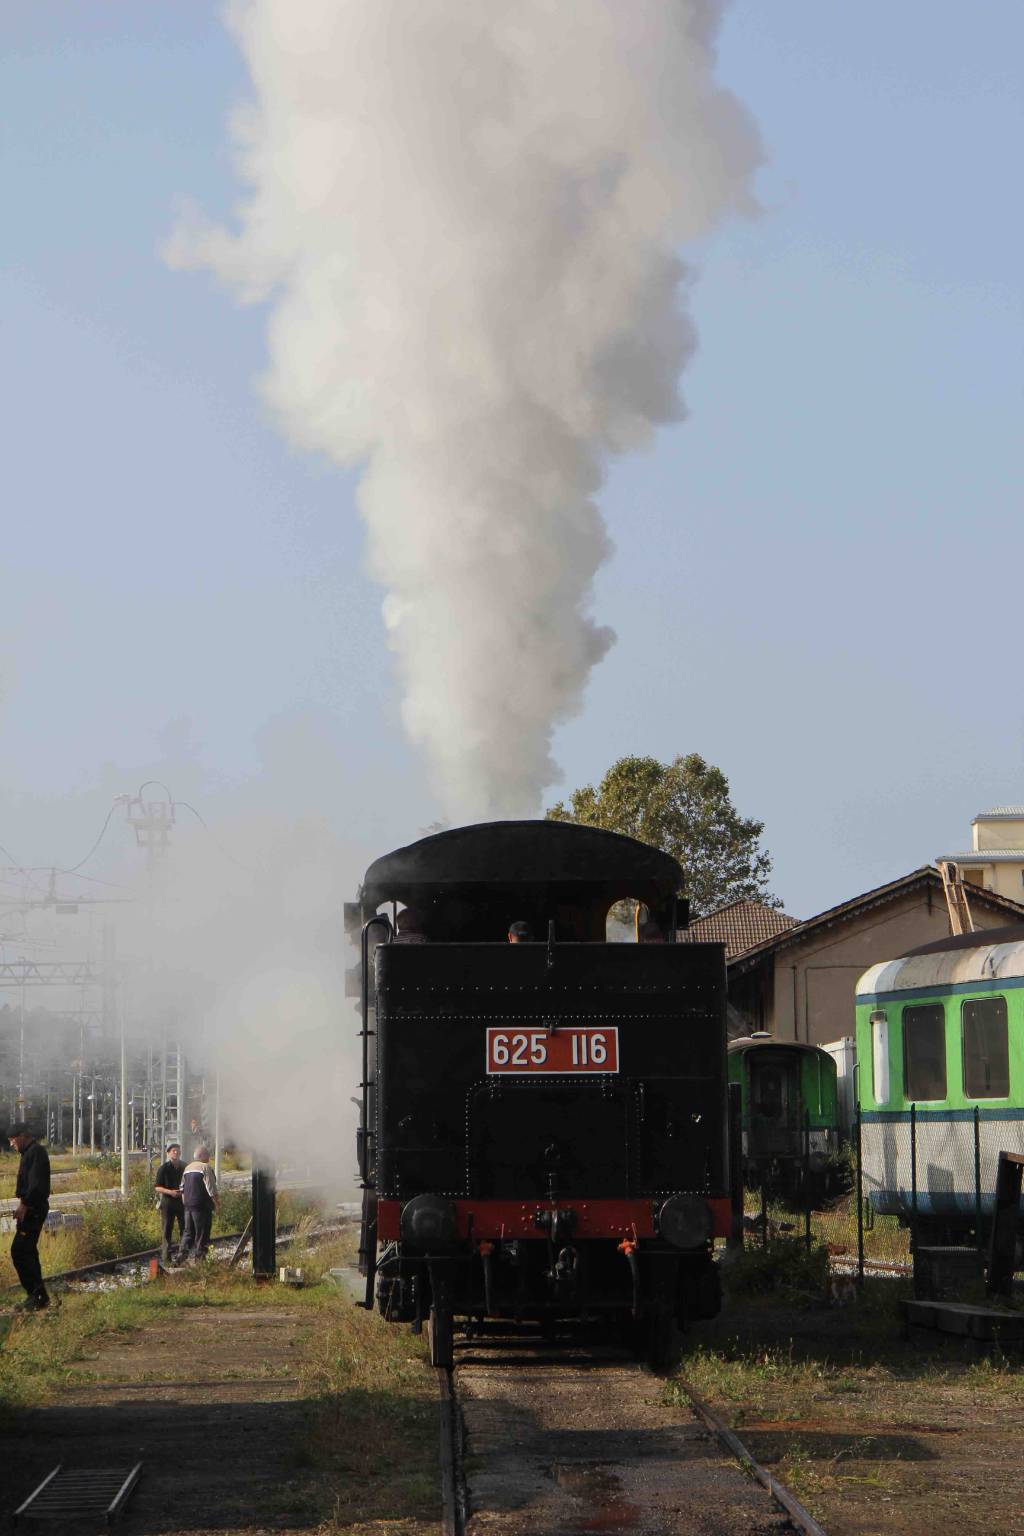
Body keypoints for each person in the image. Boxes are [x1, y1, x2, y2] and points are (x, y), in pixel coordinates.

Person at [7, 1122, 51, 1310]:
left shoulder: (35, 1153)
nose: (11, 1144)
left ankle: (37, 1295)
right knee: (27, 1252)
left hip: (33, 1209)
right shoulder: (29, 1153)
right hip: (31, 1208)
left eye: (12, 1140)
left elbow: (37, 1185)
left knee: (20, 1251)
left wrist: (25, 1204)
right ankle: (38, 1295)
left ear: (23, 1135)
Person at [177, 1144, 220, 1262]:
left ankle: (181, 1257)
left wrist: (185, 1203)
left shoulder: (187, 1168)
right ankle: (200, 1259)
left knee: (188, 1232)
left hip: (188, 1207)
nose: (209, 1156)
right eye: (207, 1154)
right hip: (202, 1206)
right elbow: (211, 1188)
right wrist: (217, 1204)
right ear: (202, 1155)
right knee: (202, 1232)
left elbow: (182, 1188)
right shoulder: (205, 1167)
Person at [154, 1142, 185, 1264]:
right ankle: (166, 1258)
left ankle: (182, 1257)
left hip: (182, 1201)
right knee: (167, 1229)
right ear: (168, 1153)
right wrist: (170, 1192)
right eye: (173, 1151)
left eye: (178, 1151)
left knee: (185, 1229)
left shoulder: (184, 1166)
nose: (176, 1153)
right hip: (168, 1202)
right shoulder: (164, 1168)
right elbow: (157, 1187)